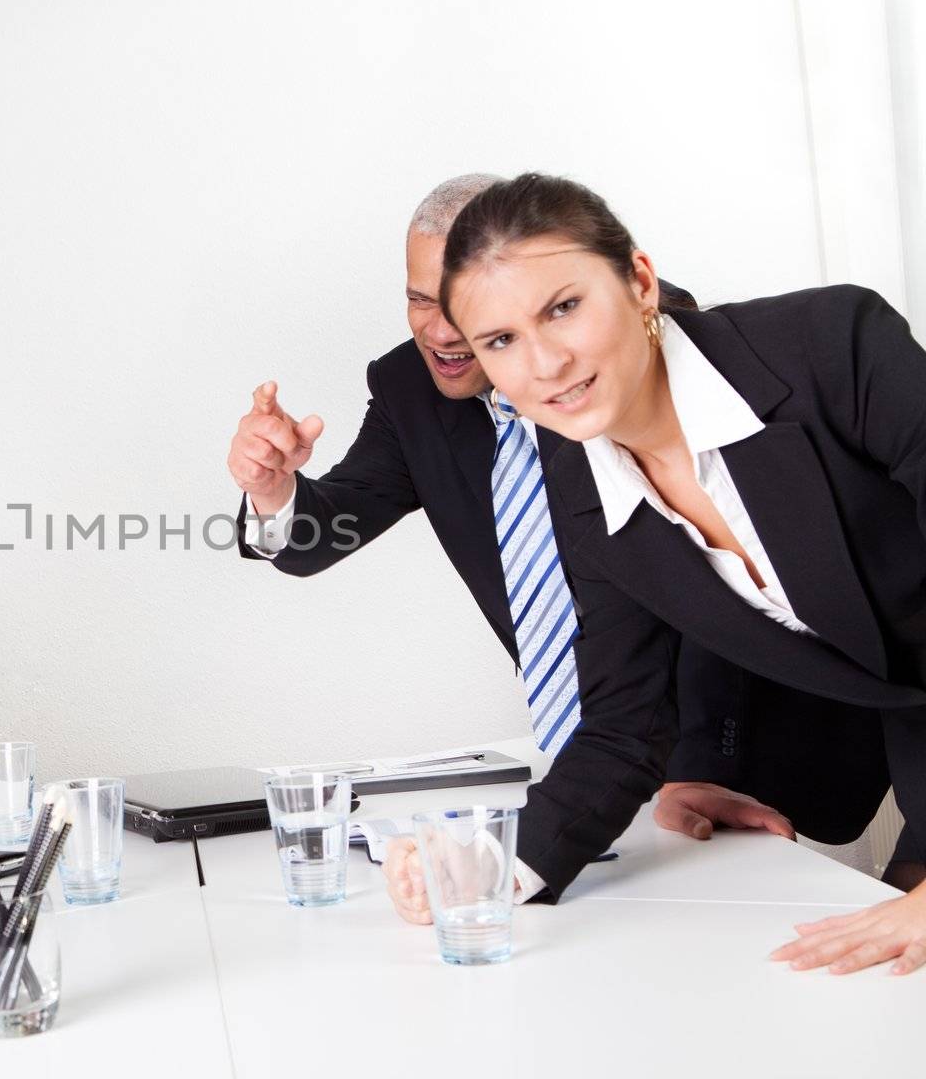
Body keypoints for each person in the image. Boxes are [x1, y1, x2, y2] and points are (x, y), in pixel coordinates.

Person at [399, 171, 926, 975]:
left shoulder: (834, 345)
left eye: (562, 307)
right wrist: (493, 872)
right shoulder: (582, 485)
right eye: (499, 341)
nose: (543, 363)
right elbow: (623, 721)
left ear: (640, 282)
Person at [227, 174, 808, 847]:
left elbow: (714, 565)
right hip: (585, 778)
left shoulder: (615, 353)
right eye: (418, 300)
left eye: (458, 304)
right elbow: (323, 532)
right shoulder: (408, 387)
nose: (440, 331)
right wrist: (272, 488)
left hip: (744, 754)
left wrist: (699, 765)